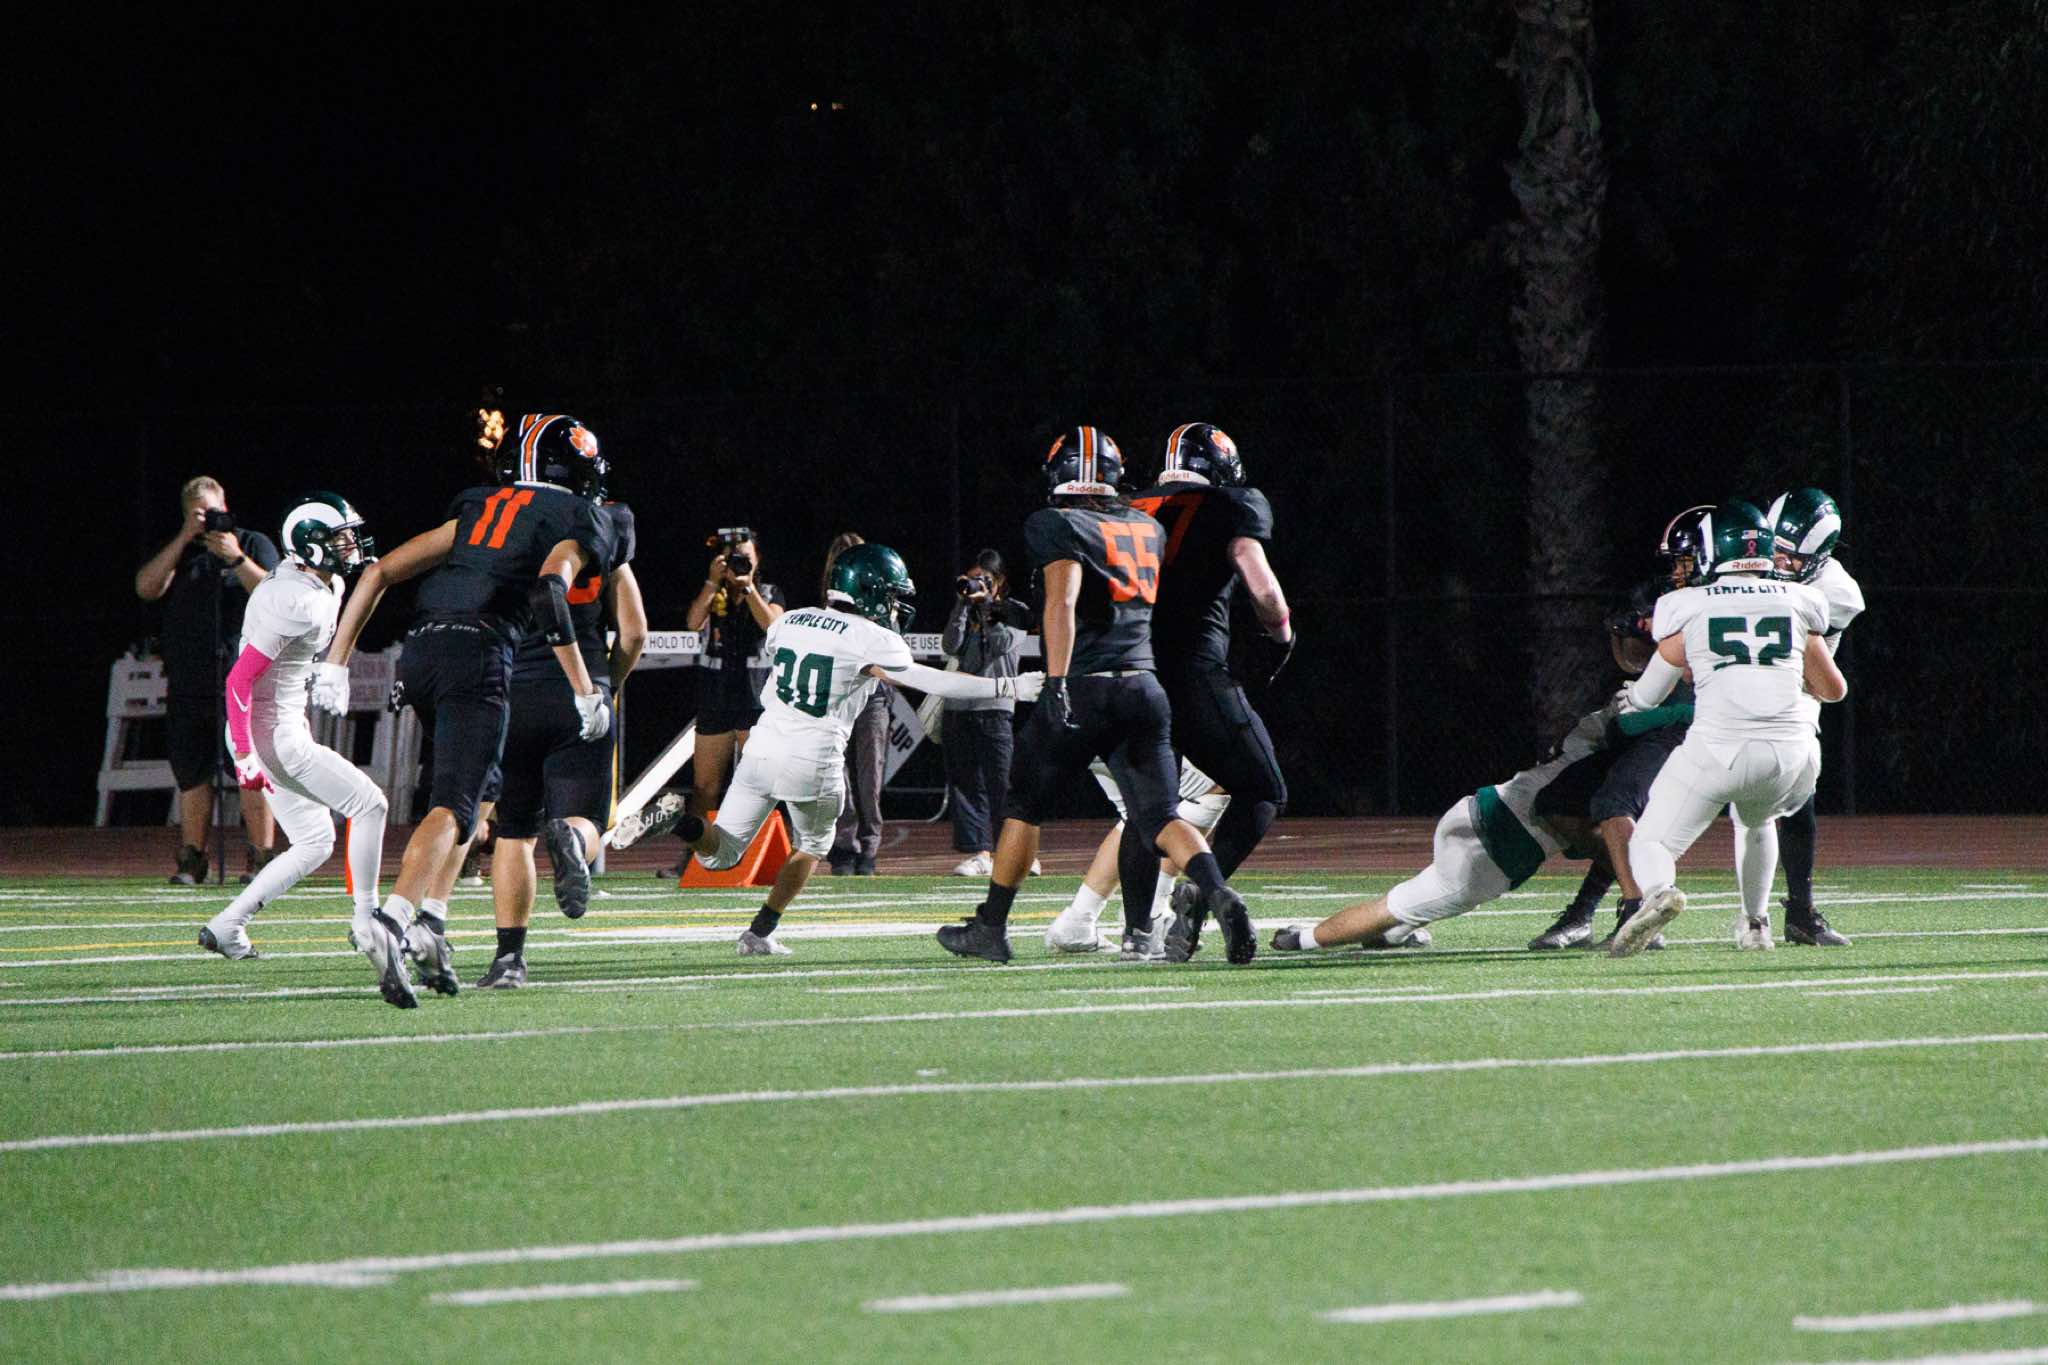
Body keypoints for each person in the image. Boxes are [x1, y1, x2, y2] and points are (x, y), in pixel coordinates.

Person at [319, 413, 618, 1008]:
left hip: (422, 650)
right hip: (478, 653)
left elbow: (379, 572)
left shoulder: (480, 505)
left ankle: (432, 924)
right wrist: (586, 689)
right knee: (455, 806)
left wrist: (336, 662)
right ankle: (394, 920)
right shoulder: (577, 515)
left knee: (481, 787)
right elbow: (550, 590)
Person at [937, 427, 1253, 965]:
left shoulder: (1056, 523)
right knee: (1159, 814)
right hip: (1144, 685)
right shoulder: (1147, 526)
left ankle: (991, 926)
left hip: (1086, 683)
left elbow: (1062, 602)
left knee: (1023, 807)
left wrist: (1057, 683)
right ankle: (1217, 892)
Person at [667, 544, 1040, 954]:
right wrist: (1008, 686)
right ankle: (759, 932)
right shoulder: (870, 637)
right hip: (814, 757)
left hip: (761, 749)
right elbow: (931, 681)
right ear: (869, 590)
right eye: (892, 595)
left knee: (718, 855)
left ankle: (681, 821)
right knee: (813, 846)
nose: (895, 605)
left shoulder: (791, 619)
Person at [1269, 696, 1695, 955]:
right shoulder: (1625, 736)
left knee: (1411, 908)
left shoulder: (1607, 728)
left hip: (1487, 806)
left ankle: (1396, 934)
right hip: (1493, 841)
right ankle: (1304, 939)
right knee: (1405, 903)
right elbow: (1575, 805)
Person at [1608, 501, 1848, 958]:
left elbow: (1650, 694)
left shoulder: (1684, 605)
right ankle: (1756, 925)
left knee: (1652, 841)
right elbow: (1834, 690)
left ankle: (1660, 893)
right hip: (1794, 756)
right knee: (1757, 821)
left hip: (1721, 748)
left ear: (1713, 549)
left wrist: (1632, 700)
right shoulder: (1801, 600)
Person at [196, 494, 390, 964]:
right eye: (340, 539)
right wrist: (246, 755)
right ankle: (367, 920)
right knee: (370, 804)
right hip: (269, 732)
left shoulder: (318, 583)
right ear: (311, 545)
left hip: (278, 724)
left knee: (315, 840)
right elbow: (239, 680)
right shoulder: (296, 599)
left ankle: (227, 925)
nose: (350, 545)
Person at [1127, 423, 1294, 961]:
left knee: (1150, 810)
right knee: (1264, 789)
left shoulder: (1129, 507)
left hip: (1131, 670)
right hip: (1192, 672)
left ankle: (1135, 936)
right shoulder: (1232, 504)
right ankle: (1202, 894)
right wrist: (1281, 634)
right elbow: (1261, 585)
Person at [475, 487, 647, 990]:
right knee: (587, 818)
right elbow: (635, 633)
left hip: (513, 691)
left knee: (514, 832)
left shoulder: (500, 528)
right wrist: (608, 685)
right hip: (580, 687)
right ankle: (572, 838)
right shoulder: (600, 528)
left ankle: (509, 959)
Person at [1528, 504, 1711, 951]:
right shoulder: (1680, 598)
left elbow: (1697, 700)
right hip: (1656, 726)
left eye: (1685, 561)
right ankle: (1597, 903)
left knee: (1615, 803)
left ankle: (1636, 909)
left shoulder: (1718, 605)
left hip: (1697, 733)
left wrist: (1638, 718)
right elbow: (1641, 667)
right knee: (1558, 802)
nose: (1677, 571)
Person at [134, 476, 280, 885]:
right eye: (199, 514)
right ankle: (192, 858)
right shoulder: (180, 552)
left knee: (249, 768)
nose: (209, 520)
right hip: (189, 679)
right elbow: (146, 588)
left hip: (242, 678)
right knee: (192, 772)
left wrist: (236, 558)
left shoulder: (250, 543)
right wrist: (185, 537)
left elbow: (275, 594)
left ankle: (261, 857)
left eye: (214, 511)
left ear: (226, 506)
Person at [1750, 487, 1863, 948]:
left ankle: (1800, 911)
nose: (1778, 561)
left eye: (1791, 555)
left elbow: (1809, 666)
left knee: (1797, 796)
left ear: (1820, 555)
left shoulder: (1836, 592)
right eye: (1773, 548)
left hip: (1798, 688)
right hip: (1737, 682)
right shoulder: (1756, 558)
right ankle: (1629, 901)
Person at [668, 528, 784, 873]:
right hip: (715, 697)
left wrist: (747, 588)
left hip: (755, 699)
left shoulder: (769, 591)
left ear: (757, 559)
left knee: (758, 782)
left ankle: (751, 856)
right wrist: (711, 581)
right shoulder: (714, 590)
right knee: (704, 786)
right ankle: (694, 857)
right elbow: (692, 622)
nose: (739, 564)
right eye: (734, 558)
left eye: (745, 558)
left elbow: (773, 625)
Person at [1044, 757, 1230, 958]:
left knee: (1137, 813)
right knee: (1214, 785)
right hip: (1123, 743)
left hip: (1089, 743)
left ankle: (1077, 921)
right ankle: (1154, 911)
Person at [941, 549, 1030, 877]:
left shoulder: (1015, 610)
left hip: (995, 707)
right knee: (966, 785)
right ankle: (979, 852)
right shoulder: (967, 608)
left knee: (1002, 784)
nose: (977, 584)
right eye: (972, 578)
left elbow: (1001, 644)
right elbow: (950, 646)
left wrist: (987, 605)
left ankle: (1012, 852)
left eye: (984, 579)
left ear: (1000, 581)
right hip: (959, 706)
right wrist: (961, 606)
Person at [822, 533, 890, 875]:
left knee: (869, 776)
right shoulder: (827, 606)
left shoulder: (882, 597)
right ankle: (844, 844)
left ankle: (869, 846)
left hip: (872, 695)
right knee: (837, 774)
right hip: (836, 696)